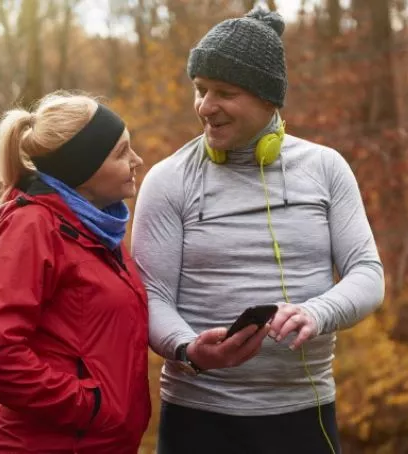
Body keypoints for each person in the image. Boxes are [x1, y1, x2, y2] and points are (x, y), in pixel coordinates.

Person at [131, 7, 385, 454]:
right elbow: (151, 296)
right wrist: (189, 349)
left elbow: (367, 273)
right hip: (197, 417)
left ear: (269, 99)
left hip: (304, 414)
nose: (205, 107)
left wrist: (316, 312)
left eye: (224, 92)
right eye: (200, 89)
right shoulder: (168, 179)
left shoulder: (326, 169)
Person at [0, 91, 151, 453]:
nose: (137, 160)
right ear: (84, 170)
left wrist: (190, 346)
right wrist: (87, 405)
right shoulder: (33, 226)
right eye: (121, 153)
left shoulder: (99, 229)